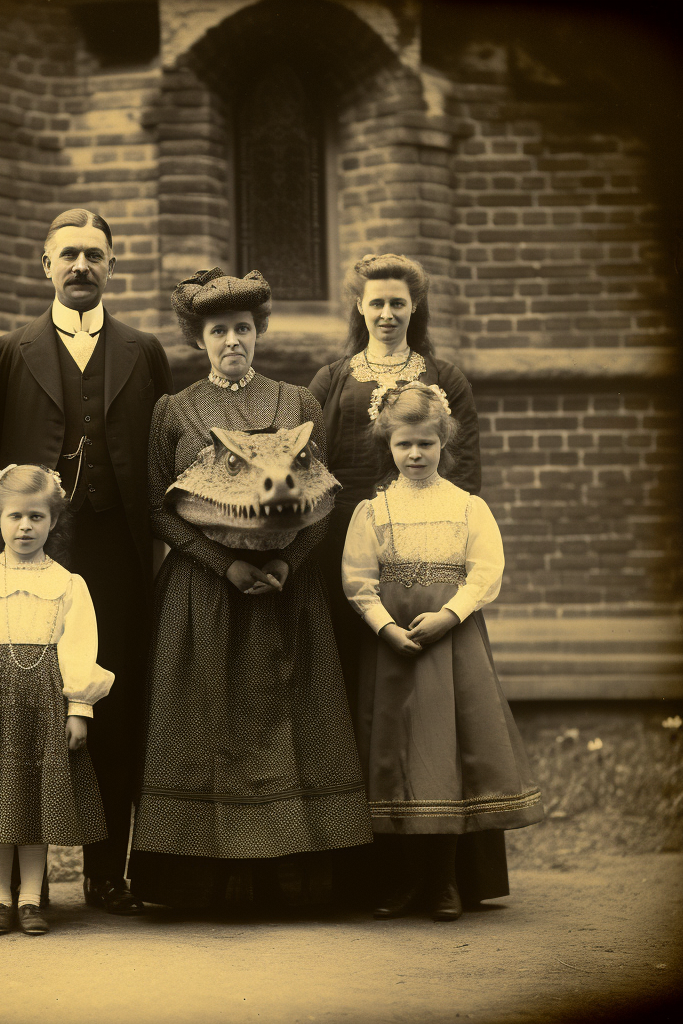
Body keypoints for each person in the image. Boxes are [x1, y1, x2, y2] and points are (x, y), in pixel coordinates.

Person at [128, 268, 372, 911]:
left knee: (292, 723)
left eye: (242, 328)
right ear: (199, 339)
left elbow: (320, 496)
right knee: (206, 727)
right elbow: (156, 507)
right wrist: (223, 563)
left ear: (258, 331)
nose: (231, 340)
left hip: (289, 595)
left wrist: (289, 562)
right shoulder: (174, 411)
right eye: (217, 331)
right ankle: (198, 885)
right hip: (204, 597)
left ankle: (293, 882)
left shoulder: (298, 403)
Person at [0, 209, 172, 914]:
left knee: (113, 706)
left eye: (95, 254)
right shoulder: (10, 352)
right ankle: (21, 884)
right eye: (68, 255)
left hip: (119, 556)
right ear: (45, 264)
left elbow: (160, 453)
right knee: (26, 709)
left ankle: (104, 873)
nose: (81, 266)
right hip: (35, 559)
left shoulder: (144, 350)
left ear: (113, 265)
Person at [341, 382, 544, 921]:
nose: (414, 455)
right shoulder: (373, 511)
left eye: (425, 444)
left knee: (447, 757)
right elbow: (357, 580)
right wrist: (384, 627)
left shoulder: (467, 508)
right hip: (394, 649)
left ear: (443, 443)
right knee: (397, 757)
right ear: (388, 444)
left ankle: (446, 882)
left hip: (452, 647)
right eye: (404, 444)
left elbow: (486, 572)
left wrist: (449, 615)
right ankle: (406, 880)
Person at [0, 465, 113, 936]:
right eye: (15, 516)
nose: (25, 527)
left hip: (45, 703)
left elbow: (80, 646)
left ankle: (32, 899)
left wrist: (79, 710)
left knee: (35, 801)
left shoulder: (68, 583)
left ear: (53, 521)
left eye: (37, 517)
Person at [308, 254, 480, 710]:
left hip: (420, 536)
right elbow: (305, 459)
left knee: (414, 652)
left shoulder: (445, 378)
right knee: (346, 648)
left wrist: (439, 536)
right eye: (377, 302)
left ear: (415, 306)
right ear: (359, 306)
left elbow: (465, 471)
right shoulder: (333, 378)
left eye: (398, 304)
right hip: (342, 532)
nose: (387, 314)